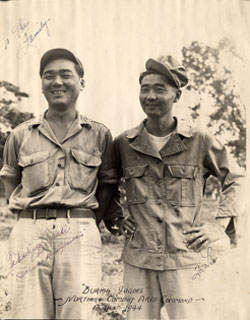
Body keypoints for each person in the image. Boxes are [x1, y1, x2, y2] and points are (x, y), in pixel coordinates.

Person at [113, 55, 245, 319]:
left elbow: (238, 179)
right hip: (139, 259)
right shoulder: (124, 143)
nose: (150, 96)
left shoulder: (199, 140)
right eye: (145, 88)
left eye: (159, 89)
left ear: (177, 95)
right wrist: (114, 215)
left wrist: (217, 225)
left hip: (185, 258)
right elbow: (106, 182)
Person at [0, 48, 121, 319]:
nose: (57, 82)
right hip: (29, 231)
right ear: (41, 84)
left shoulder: (100, 134)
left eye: (66, 74)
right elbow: (11, 185)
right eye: (48, 76)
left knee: (79, 312)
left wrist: (86, 222)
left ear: (81, 82)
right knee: (27, 313)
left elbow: (107, 184)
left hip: (80, 230)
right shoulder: (20, 134)